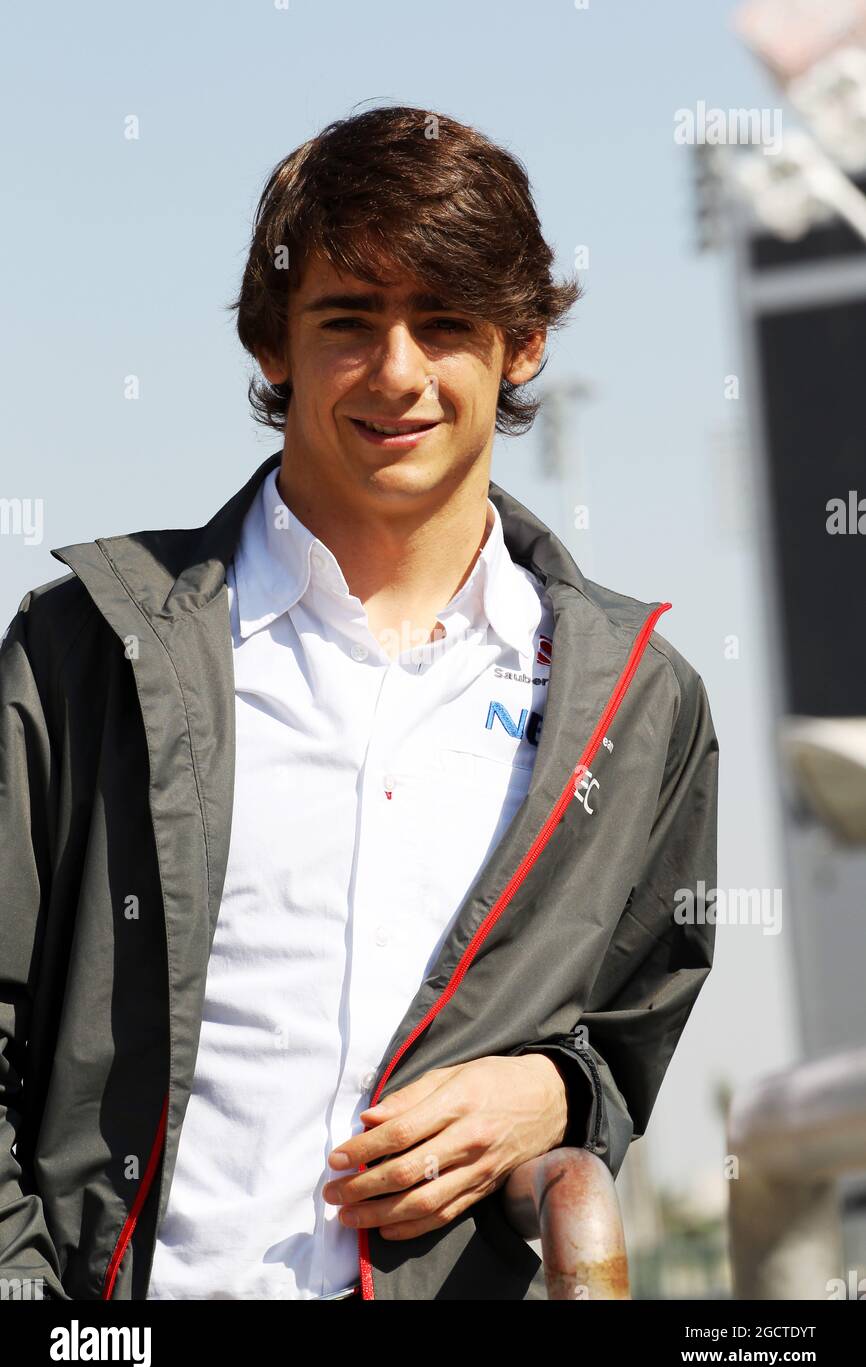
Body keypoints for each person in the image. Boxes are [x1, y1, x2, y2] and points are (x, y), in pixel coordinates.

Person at [0, 106, 719, 1302]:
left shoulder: (639, 705)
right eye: (348, 322)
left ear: (522, 343)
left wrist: (553, 1090)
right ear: (272, 343)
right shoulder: (82, 654)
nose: (397, 373)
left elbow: (626, 1037)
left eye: (443, 323)